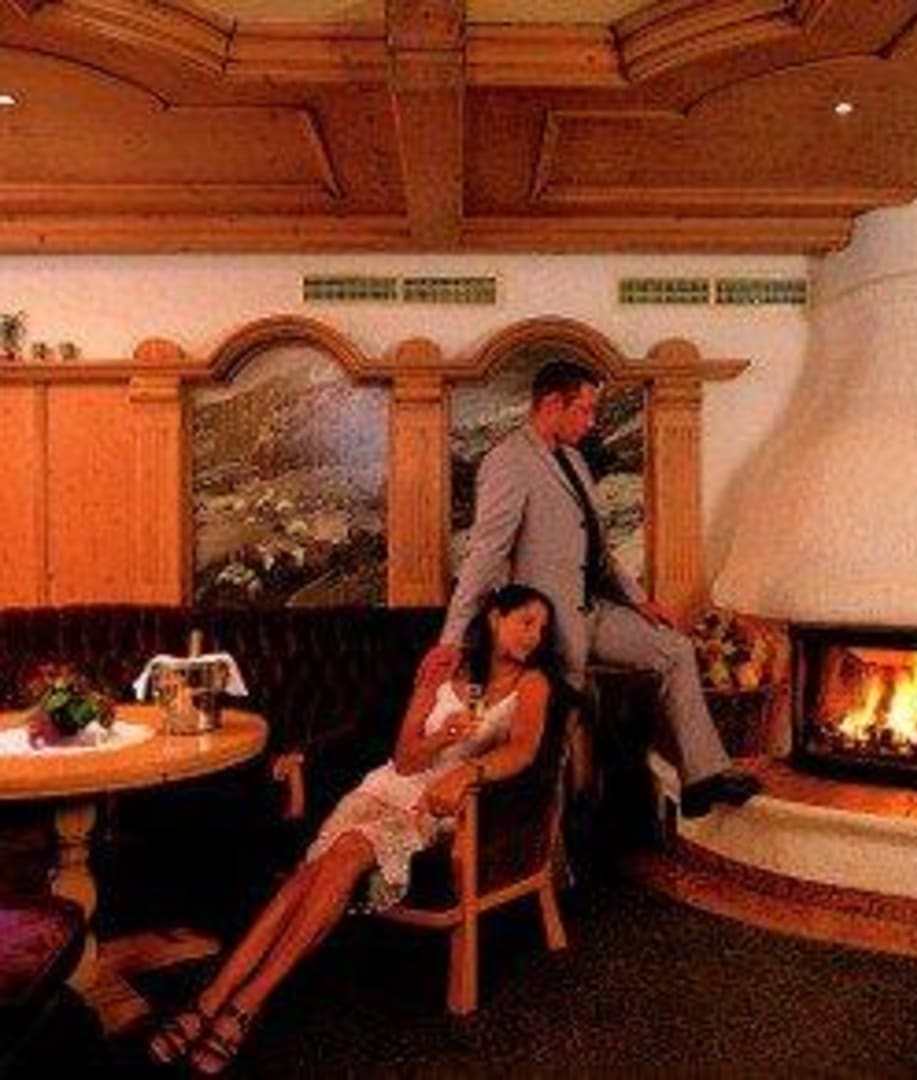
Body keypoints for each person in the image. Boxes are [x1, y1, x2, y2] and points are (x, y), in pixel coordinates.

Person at [147, 584, 558, 1075]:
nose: (534, 635)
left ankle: (241, 1004)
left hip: (437, 804)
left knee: (347, 849)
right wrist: (443, 738)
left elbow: (522, 751)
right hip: (385, 787)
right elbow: (405, 760)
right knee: (313, 872)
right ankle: (216, 1001)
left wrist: (468, 770)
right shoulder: (445, 669)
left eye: (542, 628)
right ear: (494, 618)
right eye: (526, 622)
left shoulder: (533, 684)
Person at [420, 359, 761, 819]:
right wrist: (453, 636)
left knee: (676, 650)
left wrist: (639, 601)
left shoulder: (576, 461)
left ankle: (702, 777)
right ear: (552, 403)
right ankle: (548, 831)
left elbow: (598, 550)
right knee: (558, 733)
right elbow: (485, 554)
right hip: (547, 628)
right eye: (583, 409)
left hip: (594, 612)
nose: (591, 421)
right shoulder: (508, 461)